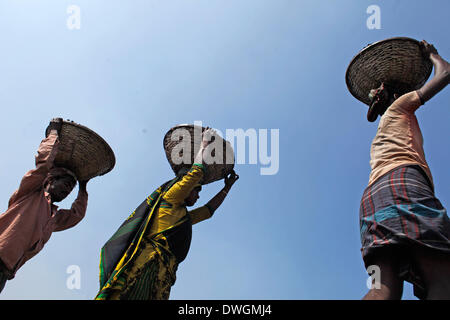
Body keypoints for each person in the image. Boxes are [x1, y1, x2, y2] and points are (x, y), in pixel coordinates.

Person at [95, 129, 239, 300]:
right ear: (185, 186)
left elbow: (209, 211)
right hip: (147, 265)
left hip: (164, 275)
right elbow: (196, 173)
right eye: (196, 190)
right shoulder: (171, 197)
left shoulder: (183, 216)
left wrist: (227, 188)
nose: (198, 195)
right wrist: (205, 145)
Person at [360, 40, 450, 300]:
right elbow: (445, 73)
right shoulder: (399, 108)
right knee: (443, 276)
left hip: (374, 200)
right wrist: (433, 55)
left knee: (382, 288)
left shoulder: (382, 129)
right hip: (402, 185)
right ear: (396, 96)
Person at [0, 118, 89, 294]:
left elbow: (76, 215)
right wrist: (54, 133)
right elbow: (43, 164)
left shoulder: (53, 218)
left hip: (5, 271)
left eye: (70, 189)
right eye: (65, 184)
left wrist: (83, 188)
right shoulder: (32, 192)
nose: (67, 191)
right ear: (50, 180)